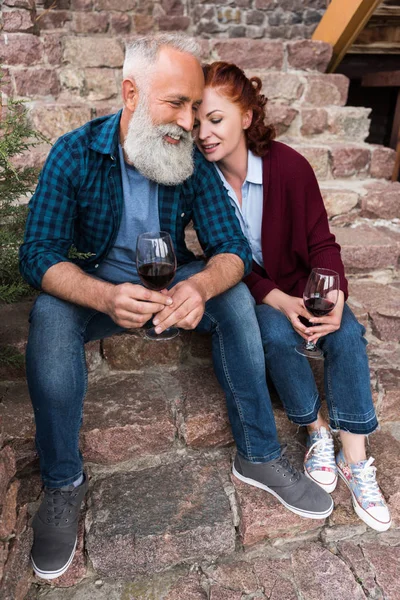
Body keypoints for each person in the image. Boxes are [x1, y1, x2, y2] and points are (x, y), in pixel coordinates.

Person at [19, 36, 333, 581]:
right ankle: (63, 484)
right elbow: (36, 254)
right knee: (48, 316)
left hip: (170, 282)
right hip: (102, 289)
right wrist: (103, 295)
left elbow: (232, 248)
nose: (189, 123)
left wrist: (203, 286)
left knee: (233, 294)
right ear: (131, 94)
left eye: (194, 107)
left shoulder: (187, 159)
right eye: (176, 104)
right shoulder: (74, 153)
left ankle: (257, 453)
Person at [194, 60, 391, 533]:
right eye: (197, 121)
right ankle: (316, 430)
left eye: (215, 119)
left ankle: (355, 459)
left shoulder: (291, 167)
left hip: (311, 286)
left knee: (346, 337)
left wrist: (336, 293)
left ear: (246, 116)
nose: (204, 133)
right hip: (261, 295)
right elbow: (225, 258)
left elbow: (323, 243)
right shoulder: (202, 184)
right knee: (275, 338)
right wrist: (276, 300)